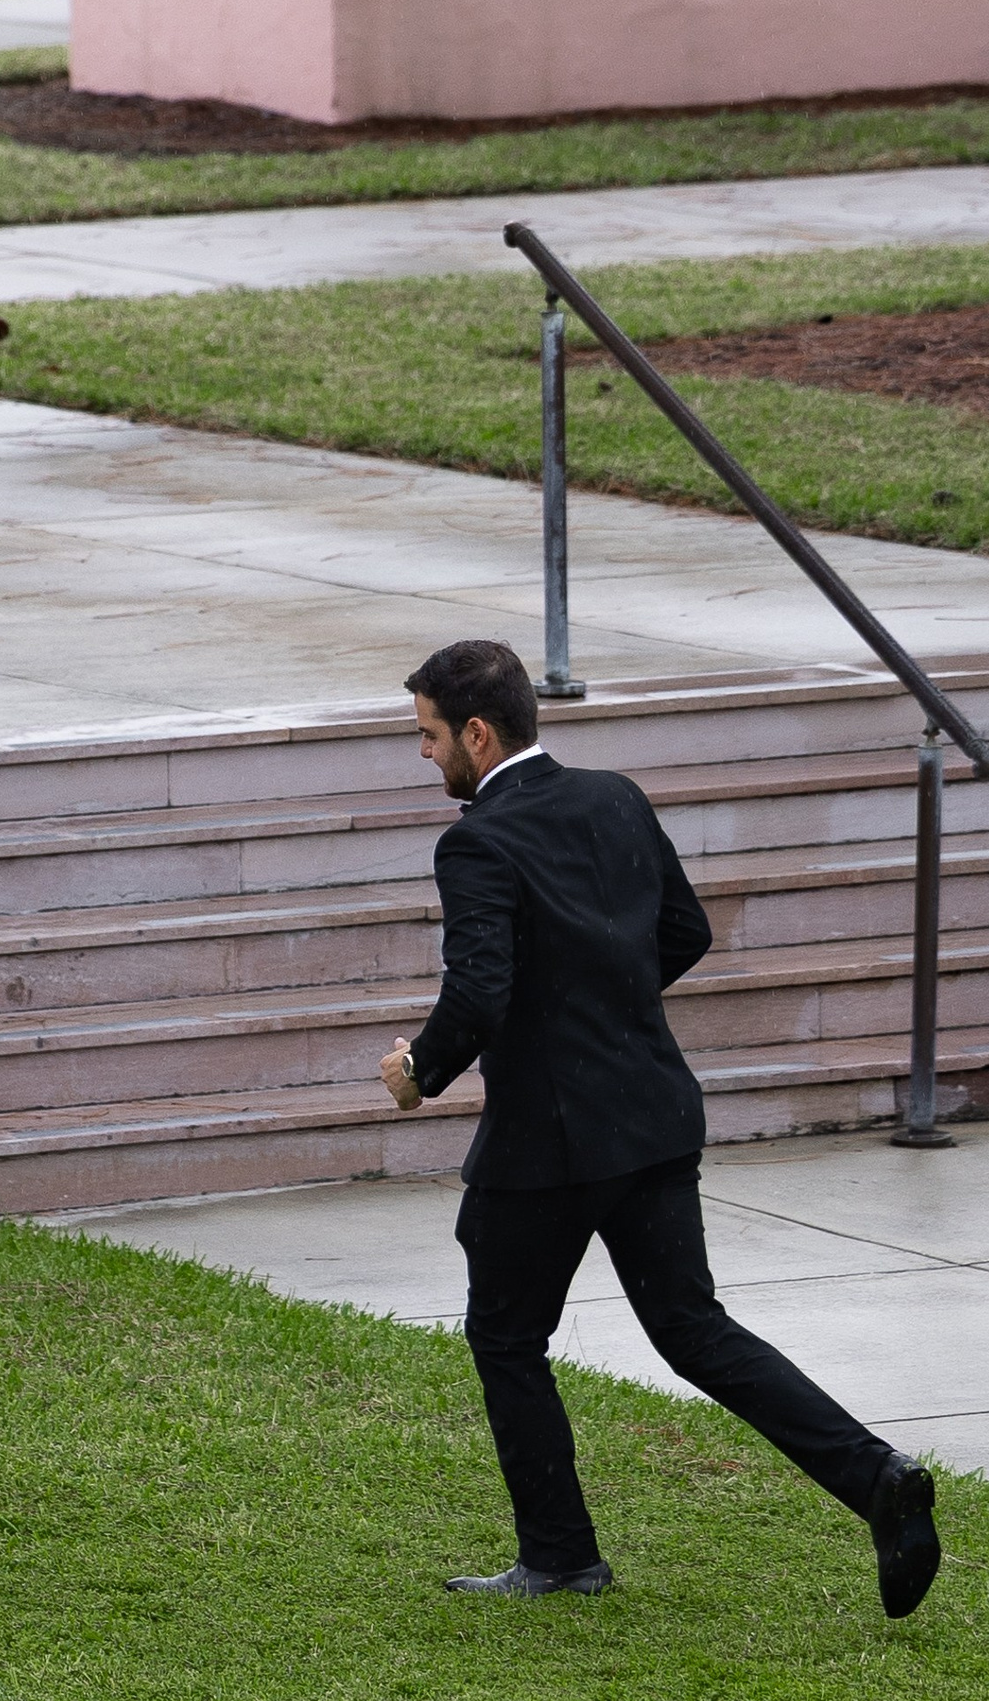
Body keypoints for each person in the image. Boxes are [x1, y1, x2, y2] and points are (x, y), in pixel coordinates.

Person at [380, 639, 939, 1617]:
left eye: (427, 737)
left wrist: (418, 1070)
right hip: (651, 1111)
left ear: (476, 733)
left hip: (547, 1145)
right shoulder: (615, 797)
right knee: (691, 1327)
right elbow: (682, 933)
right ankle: (877, 1477)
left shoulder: (475, 842)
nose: (423, 756)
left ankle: (559, 1557)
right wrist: (603, 1012)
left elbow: (478, 990)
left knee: (505, 1337)